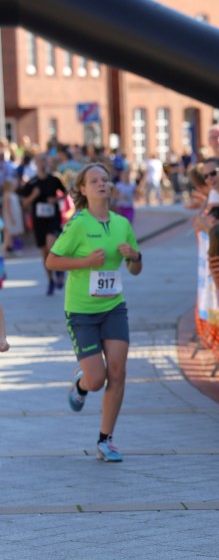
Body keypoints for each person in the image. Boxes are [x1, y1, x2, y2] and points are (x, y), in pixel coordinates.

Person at [45, 162, 143, 463]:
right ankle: (81, 383)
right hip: (81, 312)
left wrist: (134, 256)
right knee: (97, 379)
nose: (102, 184)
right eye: (94, 181)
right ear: (83, 189)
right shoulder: (77, 224)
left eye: (105, 179)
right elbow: (52, 261)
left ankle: (106, 440)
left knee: (118, 372)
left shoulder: (121, 224)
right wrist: (85, 262)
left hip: (114, 308)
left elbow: (136, 269)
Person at [20, 152, 65, 295]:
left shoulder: (54, 180)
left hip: (53, 219)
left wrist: (56, 200)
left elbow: (65, 194)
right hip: (38, 220)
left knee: (51, 244)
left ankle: (59, 271)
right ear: (36, 163)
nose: (42, 163)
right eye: (39, 161)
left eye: (44, 160)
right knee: (44, 253)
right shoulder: (32, 182)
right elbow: (24, 203)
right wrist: (33, 196)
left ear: (47, 162)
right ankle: (50, 280)